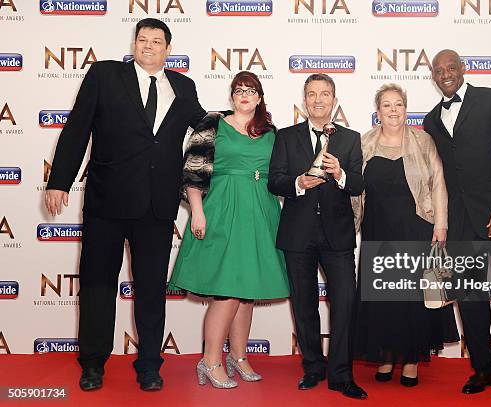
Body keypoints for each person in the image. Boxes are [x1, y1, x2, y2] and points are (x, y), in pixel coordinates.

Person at [44, 18, 206, 392]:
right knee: (98, 284)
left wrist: (251, 126)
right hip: (108, 200)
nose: (148, 46)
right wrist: (59, 181)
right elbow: (77, 128)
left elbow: (206, 129)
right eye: (142, 39)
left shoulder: (183, 86)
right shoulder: (104, 75)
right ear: (134, 44)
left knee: (151, 289)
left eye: (156, 41)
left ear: (168, 49)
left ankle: (150, 363)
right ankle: (93, 363)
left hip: (157, 204)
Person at [423, 49, 491, 403]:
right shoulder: (430, 120)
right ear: (433, 77)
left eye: (451, 67)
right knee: (470, 301)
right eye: (438, 71)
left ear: (463, 69)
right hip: (460, 225)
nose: (445, 74)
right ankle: (483, 368)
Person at [168, 71, 289, 389]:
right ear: (232, 96)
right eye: (239, 90)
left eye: (251, 90)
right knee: (226, 292)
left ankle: (239, 356)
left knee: (247, 293)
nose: (244, 95)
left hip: (261, 212)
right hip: (222, 210)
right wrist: (197, 212)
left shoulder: (270, 132)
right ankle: (210, 361)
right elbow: (193, 170)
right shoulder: (212, 123)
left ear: (260, 97)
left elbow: (280, 175)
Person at [268, 74, 367, 400]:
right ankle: (313, 367)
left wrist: (340, 174)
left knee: (345, 305)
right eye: (312, 94)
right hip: (298, 235)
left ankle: (341, 374)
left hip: (337, 237)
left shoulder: (351, 139)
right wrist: (298, 183)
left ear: (334, 99)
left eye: (324, 94)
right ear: (304, 100)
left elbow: (357, 185)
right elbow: (275, 181)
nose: (318, 99)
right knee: (304, 305)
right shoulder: (286, 136)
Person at [353, 83, 459, 386]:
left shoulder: (423, 141)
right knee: (383, 296)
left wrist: (441, 225)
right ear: (378, 112)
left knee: (411, 297)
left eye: (398, 104)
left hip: (415, 227)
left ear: (406, 108)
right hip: (377, 230)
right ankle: (386, 357)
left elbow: (439, 183)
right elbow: (353, 187)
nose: (393, 110)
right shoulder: (365, 142)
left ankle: (412, 359)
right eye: (387, 105)